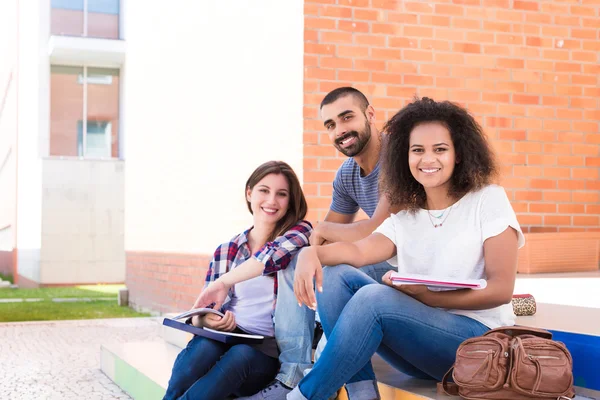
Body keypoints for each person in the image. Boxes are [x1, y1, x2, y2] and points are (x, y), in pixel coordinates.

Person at [289, 97, 525, 400]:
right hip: (420, 347)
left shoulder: (487, 200)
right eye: (417, 150)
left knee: (374, 297)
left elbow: (501, 290)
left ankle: (304, 396)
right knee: (335, 276)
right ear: (404, 156)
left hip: (476, 344)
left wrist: (426, 297)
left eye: (440, 149)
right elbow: (358, 252)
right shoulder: (407, 215)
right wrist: (311, 253)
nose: (428, 159)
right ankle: (363, 394)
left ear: (459, 154)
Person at [239, 87, 396, 400]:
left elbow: (376, 227)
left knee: (328, 265)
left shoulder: (399, 156)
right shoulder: (347, 174)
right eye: (330, 125)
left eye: (346, 117)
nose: (339, 130)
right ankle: (292, 373)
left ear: (370, 114)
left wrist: (322, 236)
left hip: (402, 263)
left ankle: (317, 377)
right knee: (298, 258)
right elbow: (325, 235)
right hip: (373, 257)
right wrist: (313, 245)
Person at [162, 161, 312, 400]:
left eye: (281, 194)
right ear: (249, 193)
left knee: (239, 355)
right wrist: (207, 320)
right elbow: (203, 308)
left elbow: (270, 257)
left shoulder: (299, 236)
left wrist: (223, 282)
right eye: (264, 190)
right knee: (202, 348)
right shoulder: (227, 250)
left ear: (290, 201)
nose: (272, 201)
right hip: (227, 339)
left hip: (265, 355)